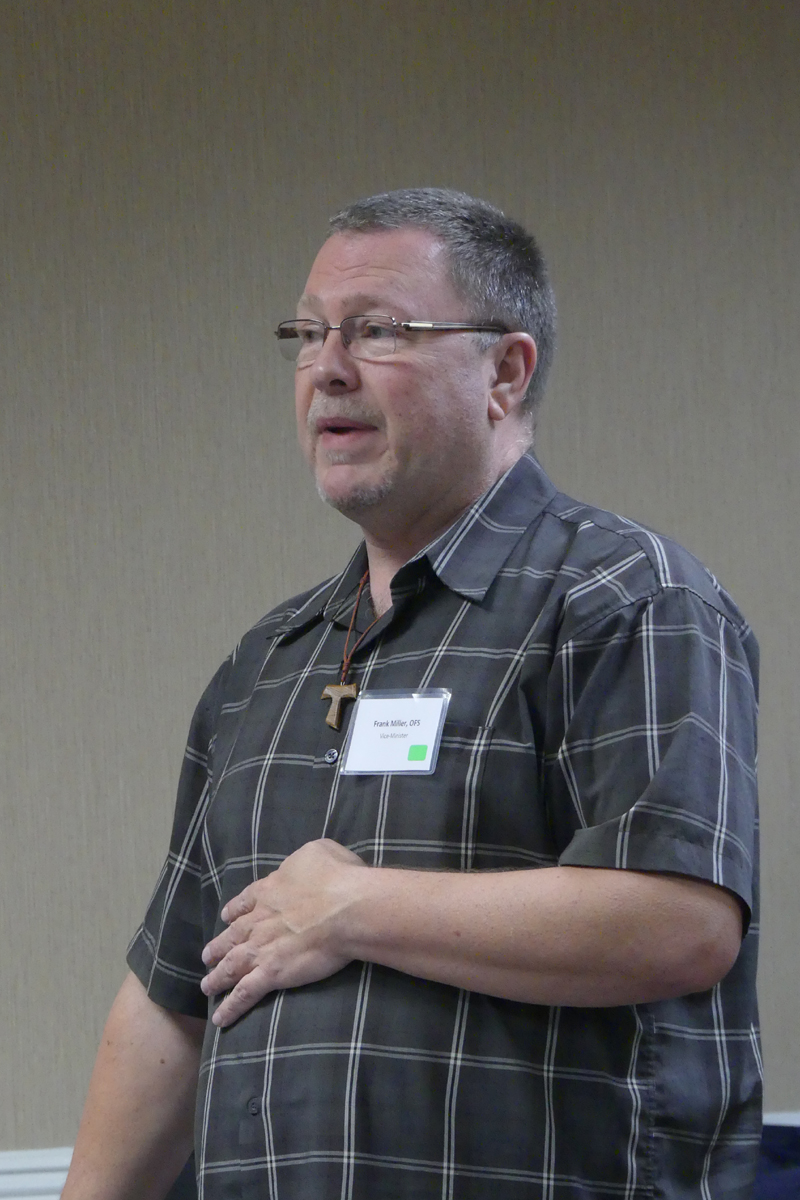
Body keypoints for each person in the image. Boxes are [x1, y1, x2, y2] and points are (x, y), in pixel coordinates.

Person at [63, 188, 761, 1200]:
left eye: (379, 330)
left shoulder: (623, 597)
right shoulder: (268, 660)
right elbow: (176, 993)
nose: (327, 368)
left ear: (504, 372)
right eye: (308, 333)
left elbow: (679, 922)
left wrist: (354, 908)